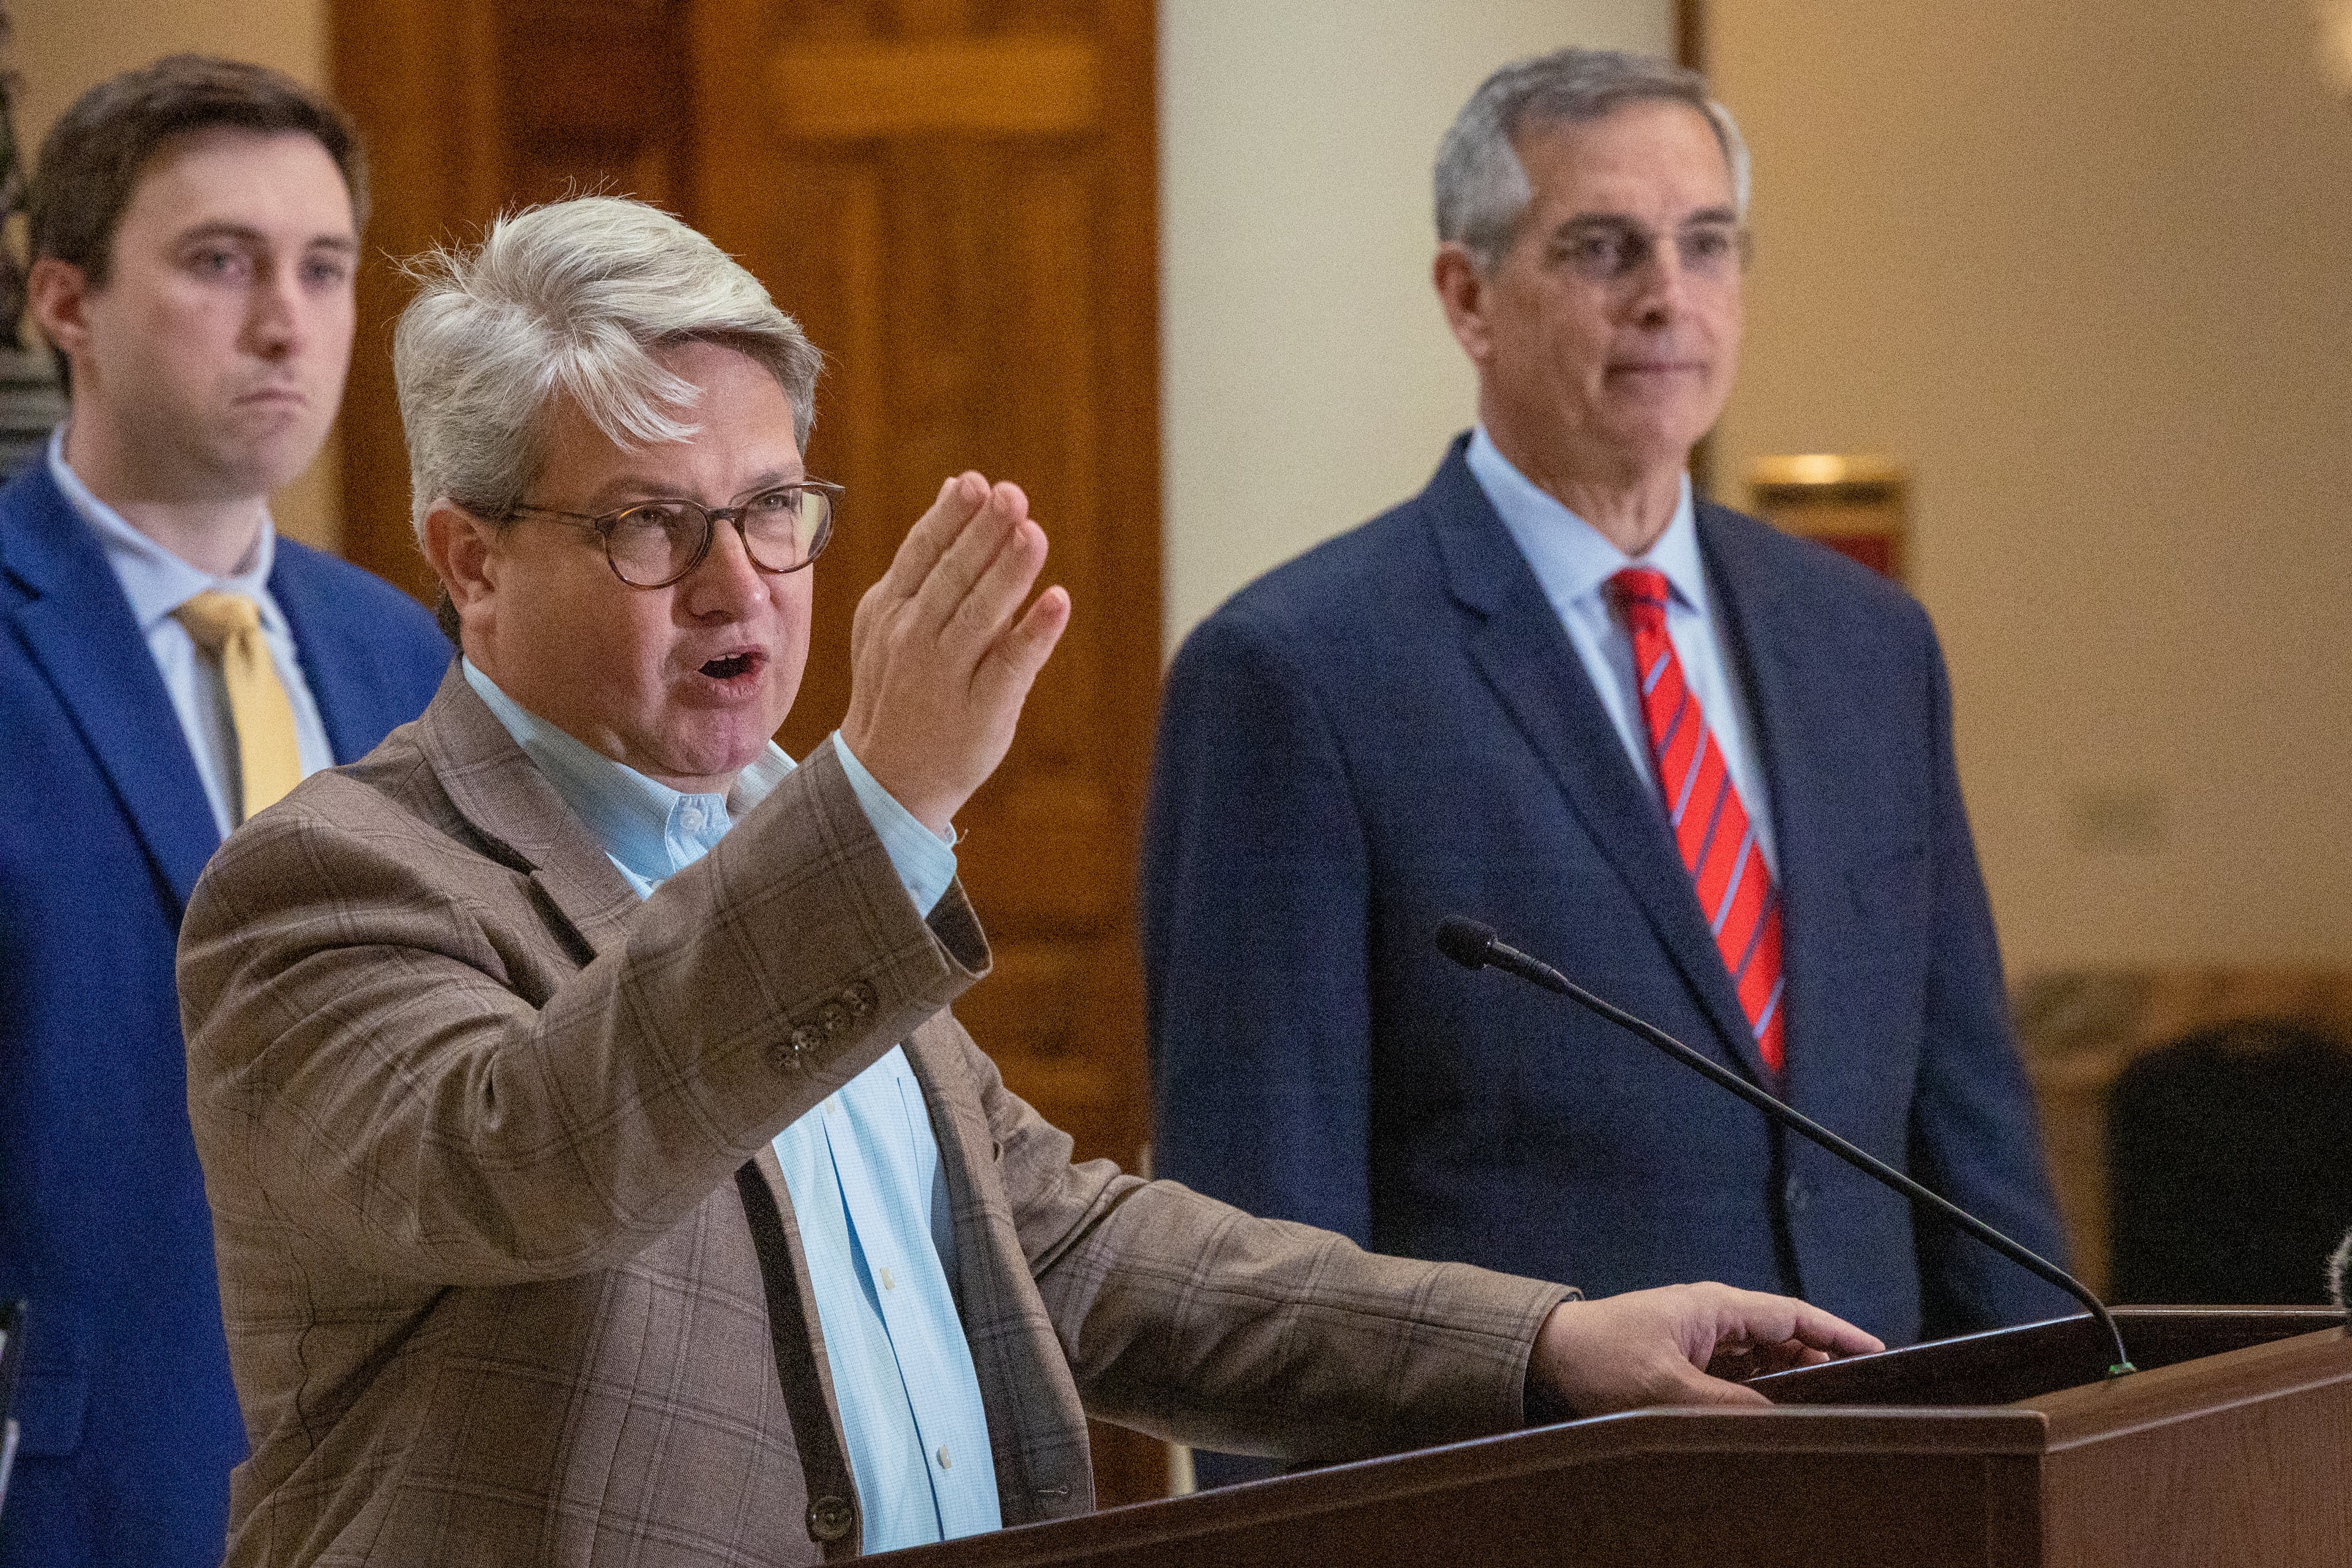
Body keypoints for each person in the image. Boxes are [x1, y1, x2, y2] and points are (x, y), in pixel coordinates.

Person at [175, 195, 1877, 1565]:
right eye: (647, 525)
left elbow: (1064, 1251)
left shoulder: (791, 847)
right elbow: (539, 1158)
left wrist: (1549, 1346)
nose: (740, 586)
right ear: (470, 557)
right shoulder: (334, 886)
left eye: (772, 508)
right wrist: (882, 802)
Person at [1143, 47, 2074, 1486]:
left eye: (1708, 244)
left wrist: (2064, 1461)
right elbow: (1257, 1258)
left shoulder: (1870, 643)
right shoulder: (1296, 671)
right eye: (1602, 248)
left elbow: (1973, 1144)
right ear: (1468, 295)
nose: (1667, 295)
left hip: (1884, 1484)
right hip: (1534, 1497)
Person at [0, 56, 450, 1567]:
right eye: (219, 262)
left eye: (323, 269)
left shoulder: (407, 650)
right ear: (65, 301)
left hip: (413, 1479)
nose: (286, 323)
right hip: (82, 1485)